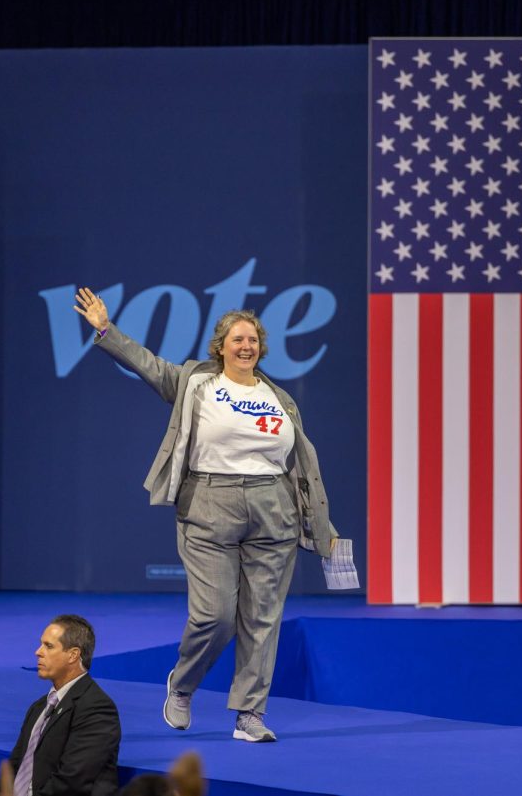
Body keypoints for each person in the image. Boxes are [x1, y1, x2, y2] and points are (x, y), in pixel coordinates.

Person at [74, 289, 341, 742]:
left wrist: (323, 527)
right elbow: (147, 364)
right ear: (221, 346)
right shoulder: (196, 382)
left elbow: (303, 469)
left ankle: (249, 716)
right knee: (215, 616)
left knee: (263, 618)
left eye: (253, 340)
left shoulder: (279, 398)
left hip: (273, 508)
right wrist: (105, 328)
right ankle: (182, 686)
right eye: (238, 339)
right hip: (210, 504)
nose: (246, 346)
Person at [6, 615, 119, 796]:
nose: (38, 652)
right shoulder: (39, 707)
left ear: (73, 655)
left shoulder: (97, 708)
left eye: (48, 646)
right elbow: (15, 764)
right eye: (41, 644)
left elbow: (73, 780)